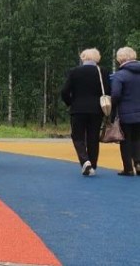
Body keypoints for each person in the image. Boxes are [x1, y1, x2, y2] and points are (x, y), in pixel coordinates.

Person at [60, 48, 110, 176]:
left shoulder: (74, 71)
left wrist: (70, 103)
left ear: (83, 58)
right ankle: (92, 164)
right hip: (96, 110)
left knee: (77, 136)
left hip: (78, 109)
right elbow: (108, 90)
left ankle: (85, 161)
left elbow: (64, 91)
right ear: (97, 58)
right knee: (93, 137)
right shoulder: (102, 71)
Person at [110, 46, 140, 176]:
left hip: (126, 113)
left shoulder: (120, 75)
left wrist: (112, 107)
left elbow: (116, 94)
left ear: (120, 59)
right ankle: (138, 163)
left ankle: (128, 168)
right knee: (137, 139)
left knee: (126, 140)